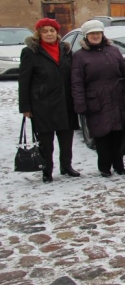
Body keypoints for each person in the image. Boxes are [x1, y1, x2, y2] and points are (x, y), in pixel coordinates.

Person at [18, 18, 80, 183]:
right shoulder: (30, 52)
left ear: (57, 32)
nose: (49, 34)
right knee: (46, 141)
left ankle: (66, 166)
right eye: (45, 31)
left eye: (52, 30)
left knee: (66, 138)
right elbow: (24, 81)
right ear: (39, 33)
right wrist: (25, 107)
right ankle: (47, 170)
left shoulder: (65, 50)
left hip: (65, 102)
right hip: (42, 104)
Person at [71, 20, 125, 177]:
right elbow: (77, 82)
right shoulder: (80, 56)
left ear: (102, 34)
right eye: (92, 34)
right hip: (95, 100)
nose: (95, 36)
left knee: (118, 134)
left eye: (98, 33)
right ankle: (104, 167)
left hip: (116, 98)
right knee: (102, 135)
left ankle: (119, 165)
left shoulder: (113, 51)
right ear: (86, 36)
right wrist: (80, 104)